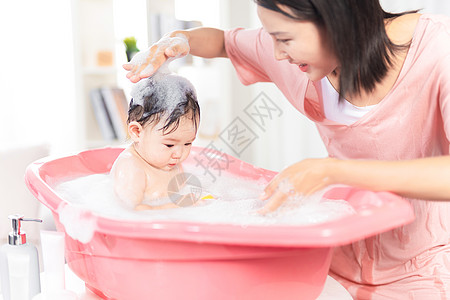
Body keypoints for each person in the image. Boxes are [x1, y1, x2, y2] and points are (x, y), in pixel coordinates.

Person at [123, 0, 450, 298]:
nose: (277, 53)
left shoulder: (438, 50)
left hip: (420, 267)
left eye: (285, 39)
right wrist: (178, 41)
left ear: (338, 18)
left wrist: (331, 171)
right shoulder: (296, 54)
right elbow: (224, 42)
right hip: (330, 258)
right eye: (271, 36)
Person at [110, 68, 201, 210]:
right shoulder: (131, 168)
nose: (179, 154)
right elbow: (130, 212)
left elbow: (183, 192)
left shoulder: (170, 162)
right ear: (137, 132)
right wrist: (178, 207)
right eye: (170, 145)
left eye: (188, 143)